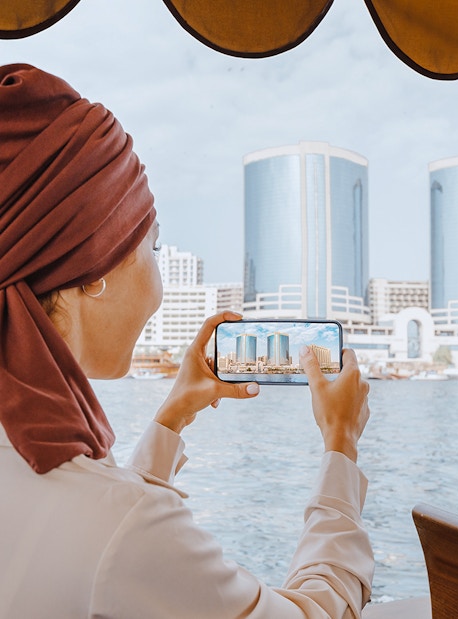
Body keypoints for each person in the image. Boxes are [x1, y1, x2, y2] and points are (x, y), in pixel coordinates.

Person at [0, 63, 373, 618]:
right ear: (94, 269)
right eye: (153, 245)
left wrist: (174, 413)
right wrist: (341, 444)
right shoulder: (117, 524)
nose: (159, 286)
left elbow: (101, 541)